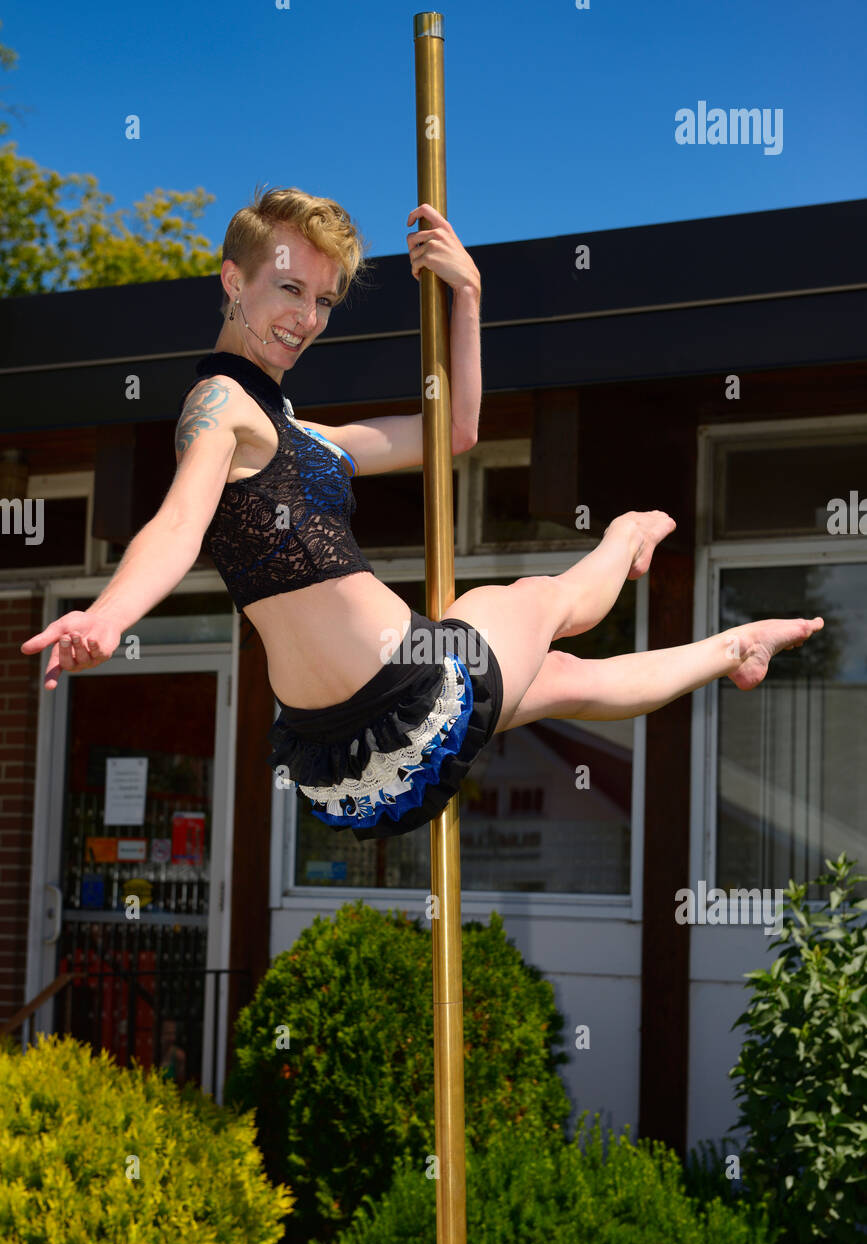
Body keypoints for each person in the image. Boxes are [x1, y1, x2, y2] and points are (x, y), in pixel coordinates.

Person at [21, 187, 823, 841]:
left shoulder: (307, 435)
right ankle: (627, 533)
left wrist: (466, 296)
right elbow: (176, 525)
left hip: (355, 750)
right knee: (529, 604)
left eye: (325, 301)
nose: (306, 318)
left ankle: (733, 646)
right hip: (395, 700)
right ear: (233, 280)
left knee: (569, 679)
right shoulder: (220, 404)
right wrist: (107, 615)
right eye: (289, 289)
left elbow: (454, 434)